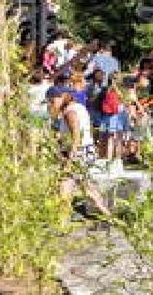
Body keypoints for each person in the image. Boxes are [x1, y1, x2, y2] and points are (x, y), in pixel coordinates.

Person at [47, 86, 110, 218]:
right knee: (85, 187)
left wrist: (70, 159)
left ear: (62, 97)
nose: (51, 105)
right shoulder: (78, 108)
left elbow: (76, 137)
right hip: (85, 151)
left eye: (52, 101)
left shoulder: (70, 112)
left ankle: (62, 220)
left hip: (78, 153)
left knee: (66, 185)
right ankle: (108, 215)